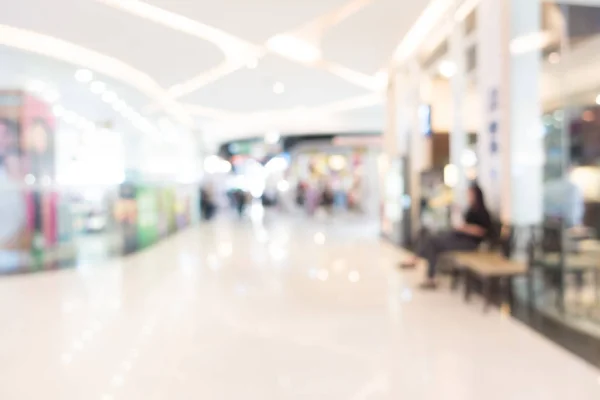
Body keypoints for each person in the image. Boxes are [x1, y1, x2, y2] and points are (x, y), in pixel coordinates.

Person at [402, 183, 492, 289]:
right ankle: (425, 271)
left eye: (470, 194)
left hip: (470, 243)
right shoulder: (470, 209)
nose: (468, 196)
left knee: (433, 242)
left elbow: (482, 232)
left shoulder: (483, 212)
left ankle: (419, 263)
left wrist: (465, 228)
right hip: (460, 237)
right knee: (430, 238)